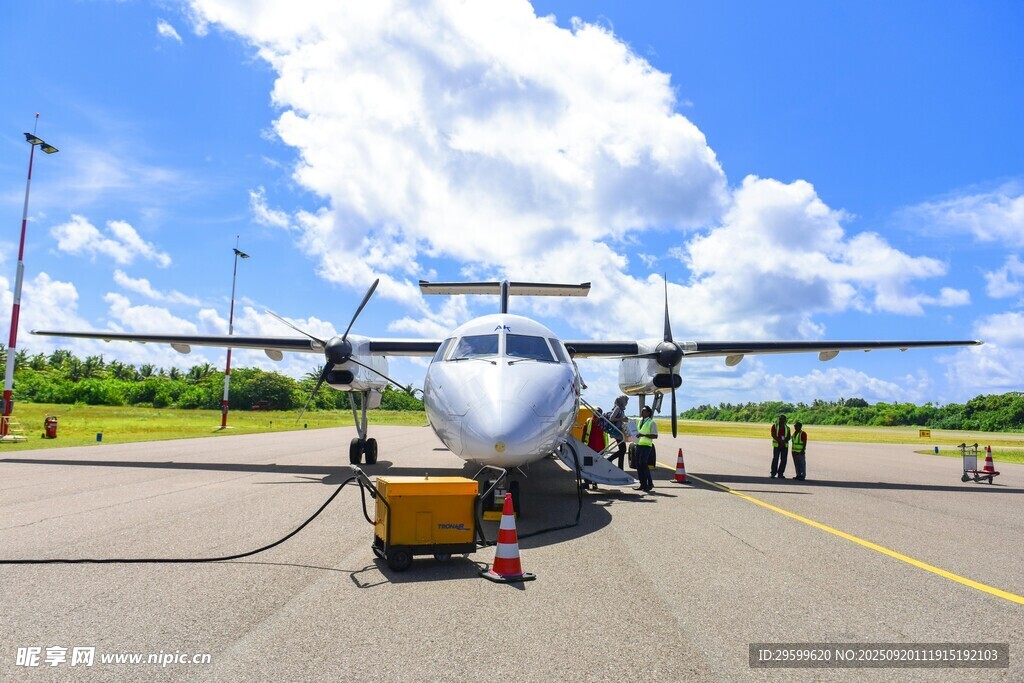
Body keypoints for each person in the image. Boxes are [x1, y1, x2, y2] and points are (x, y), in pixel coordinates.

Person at [634, 405, 658, 492]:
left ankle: (650, 483)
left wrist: (643, 435)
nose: (642, 412)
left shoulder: (652, 423)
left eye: (644, 411)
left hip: (646, 446)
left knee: (643, 463)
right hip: (638, 445)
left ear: (648, 413)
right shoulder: (639, 420)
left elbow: (655, 436)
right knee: (638, 465)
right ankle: (642, 484)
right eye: (641, 411)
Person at [605, 395, 629, 469]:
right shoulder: (617, 408)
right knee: (623, 450)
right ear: (622, 401)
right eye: (626, 401)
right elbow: (611, 418)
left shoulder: (621, 409)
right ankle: (610, 459)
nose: (626, 403)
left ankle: (620, 468)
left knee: (622, 450)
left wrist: (624, 419)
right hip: (617, 432)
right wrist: (622, 419)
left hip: (620, 431)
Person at [770, 414, 791, 479]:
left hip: (784, 446)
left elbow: (788, 436)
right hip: (777, 445)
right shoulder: (775, 426)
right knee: (775, 459)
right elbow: (773, 435)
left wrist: (783, 442)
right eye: (780, 419)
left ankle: (780, 473)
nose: (781, 420)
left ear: (785, 420)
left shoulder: (787, 428)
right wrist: (780, 441)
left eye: (782, 419)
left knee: (784, 460)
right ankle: (773, 473)